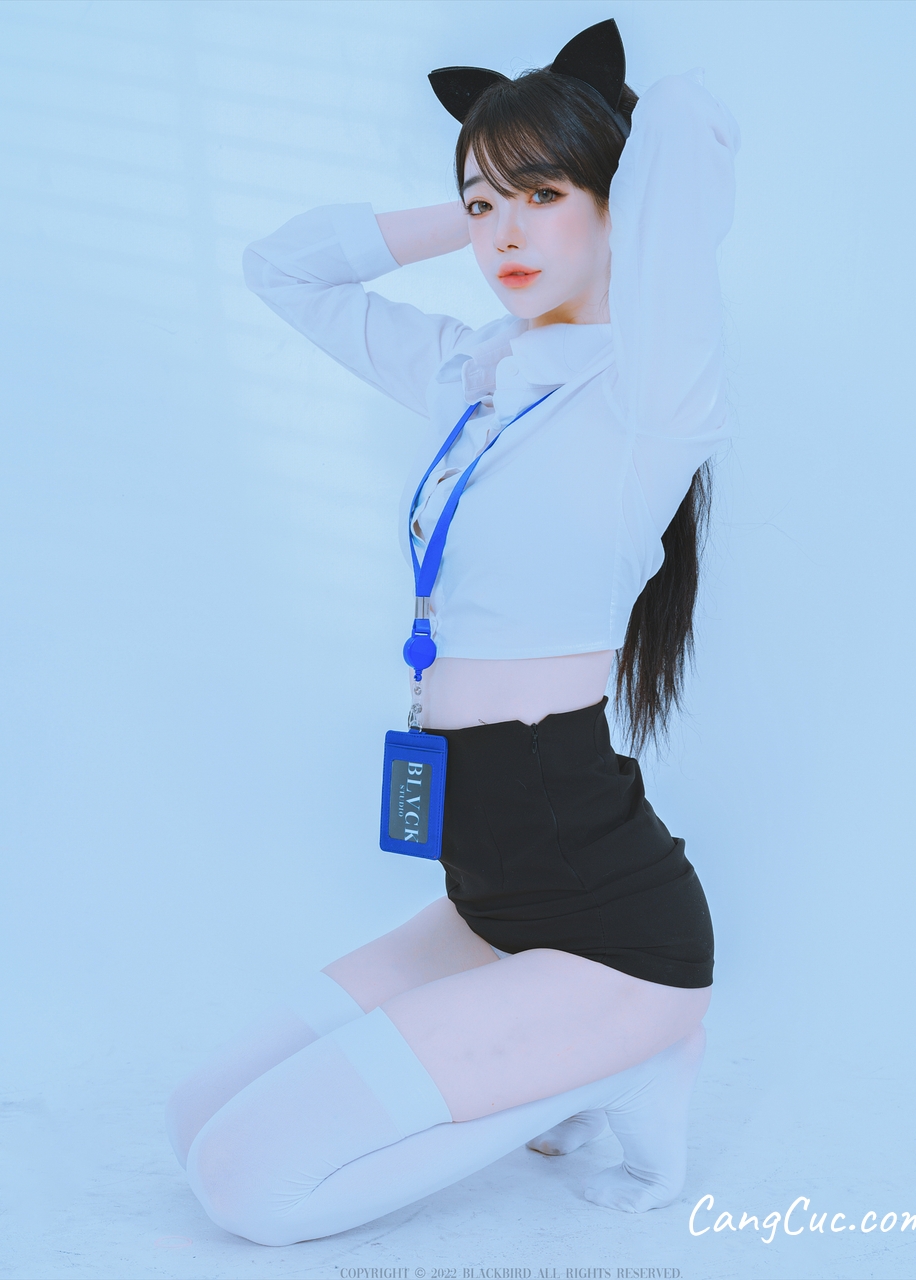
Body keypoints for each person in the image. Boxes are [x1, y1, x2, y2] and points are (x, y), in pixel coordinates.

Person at [165, 19, 740, 1247]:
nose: (506, 235)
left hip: (612, 924)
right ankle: (577, 1063)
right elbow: (283, 270)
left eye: (544, 195)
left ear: (620, 200)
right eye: (486, 206)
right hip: (486, 896)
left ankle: (629, 1055)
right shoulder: (474, 373)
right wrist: (476, 201)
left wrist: (597, 150)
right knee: (193, 1119)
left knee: (250, 1186)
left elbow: (693, 118)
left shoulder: (652, 391)